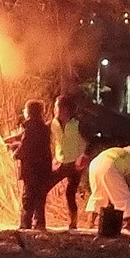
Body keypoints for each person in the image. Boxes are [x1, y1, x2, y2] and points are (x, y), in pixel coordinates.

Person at [7, 99, 53, 230]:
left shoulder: (30, 126)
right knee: (40, 197)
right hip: (44, 168)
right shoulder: (43, 127)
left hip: (32, 168)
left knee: (29, 197)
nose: (24, 112)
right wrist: (14, 143)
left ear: (30, 112)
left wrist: (15, 154)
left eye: (25, 110)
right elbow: (28, 142)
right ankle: (39, 223)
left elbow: (26, 146)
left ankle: (25, 224)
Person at [49, 95, 89, 230]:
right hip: (60, 162)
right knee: (45, 187)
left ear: (65, 109)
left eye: (57, 107)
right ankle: (39, 220)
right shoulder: (53, 123)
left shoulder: (79, 124)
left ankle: (73, 222)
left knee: (70, 192)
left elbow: (92, 141)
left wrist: (85, 155)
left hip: (75, 164)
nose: (54, 110)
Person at [85, 145, 130, 232]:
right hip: (109, 166)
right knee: (124, 196)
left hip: (94, 164)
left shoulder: (117, 152)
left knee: (98, 195)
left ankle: (90, 222)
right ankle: (127, 225)